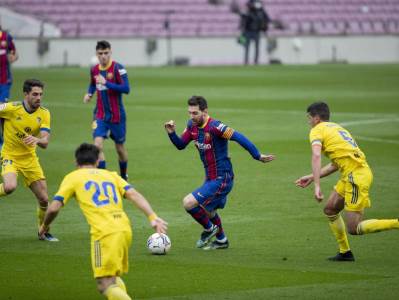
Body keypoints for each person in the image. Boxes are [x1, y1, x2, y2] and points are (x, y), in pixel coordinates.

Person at [38, 143, 168, 300]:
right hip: (124, 228)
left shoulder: (72, 177)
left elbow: (53, 208)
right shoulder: (111, 175)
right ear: (97, 161)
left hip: (104, 233)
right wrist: (152, 217)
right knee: (113, 277)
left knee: (103, 284)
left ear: (76, 162)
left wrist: (45, 225)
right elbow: (133, 194)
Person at [164, 96, 275, 250]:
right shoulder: (192, 126)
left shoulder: (216, 127)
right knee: (209, 211)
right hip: (210, 177)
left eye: (195, 113)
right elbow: (181, 145)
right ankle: (221, 240)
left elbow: (239, 137)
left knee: (189, 203)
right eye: (189, 113)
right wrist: (171, 133)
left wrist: (257, 155)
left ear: (205, 111)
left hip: (222, 178)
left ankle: (210, 229)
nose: (191, 116)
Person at [295, 101, 399, 261]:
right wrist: (311, 176)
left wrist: (317, 185)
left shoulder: (317, 130)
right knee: (330, 209)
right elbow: (335, 164)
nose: (309, 121)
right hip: (352, 174)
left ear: (316, 118)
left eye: (309, 118)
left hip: (356, 177)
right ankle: (345, 252)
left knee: (354, 228)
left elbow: (316, 156)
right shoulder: (337, 128)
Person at [0, 79, 58, 241]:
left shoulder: (44, 113)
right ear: (25, 94)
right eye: (35, 94)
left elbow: (45, 142)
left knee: (44, 199)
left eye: (40, 94)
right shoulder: (12, 108)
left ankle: (43, 231)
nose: (38, 98)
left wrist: (37, 140)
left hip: (30, 159)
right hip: (10, 155)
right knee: (10, 186)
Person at [83, 40, 130, 180]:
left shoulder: (118, 68)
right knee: (97, 145)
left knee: (120, 148)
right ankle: (103, 178)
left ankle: (123, 176)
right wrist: (89, 93)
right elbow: (92, 84)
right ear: (96, 54)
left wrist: (107, 83)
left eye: (106, 53)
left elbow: (126, 89)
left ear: (110, 52)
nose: (103, 56)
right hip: (100, 115)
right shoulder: (94, 69)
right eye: (100, 53)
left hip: (117, 116)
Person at [0, 26, 18, 148]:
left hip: (4, 81)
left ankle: (6, 140)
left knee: (2, 109)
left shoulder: (6, 37)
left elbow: (14, 53)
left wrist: (13, 57)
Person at [238, 0, 270, 65]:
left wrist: (264, 28)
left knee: (256, 47)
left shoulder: (260, 11)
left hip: (256, 31)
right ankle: (246, 61)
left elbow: (267, 19)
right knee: (247, 47)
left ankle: (256, 61)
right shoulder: (248, 10)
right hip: (248, 31)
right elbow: (243, 18)